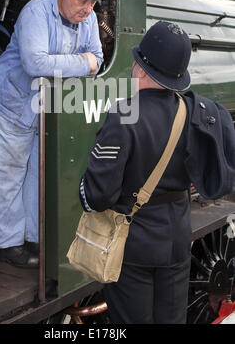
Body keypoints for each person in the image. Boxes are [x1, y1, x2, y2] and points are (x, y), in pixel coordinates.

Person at [78, 20, 235, 324]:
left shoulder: (124, 113)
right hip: (176, 238)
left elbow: (98, 196)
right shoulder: (194, 112)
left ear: (140, 68)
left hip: (132, 245)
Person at [0, 0, 106, 268]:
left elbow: (99, 57)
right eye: (82, 0)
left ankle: (34, 237)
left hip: (46, 108)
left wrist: (83, 62)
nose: (88, 9)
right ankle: (9, 246)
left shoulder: (88, 17)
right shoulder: (35, 12)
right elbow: (36, 63)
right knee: (8, 174)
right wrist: (84, 63)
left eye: (92, 2)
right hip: (11, 102)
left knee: (38, 174)